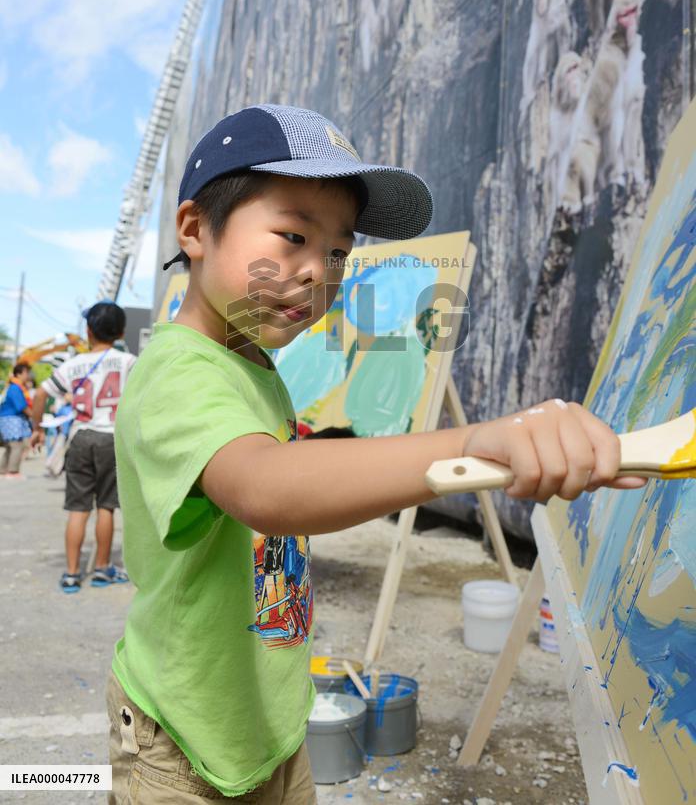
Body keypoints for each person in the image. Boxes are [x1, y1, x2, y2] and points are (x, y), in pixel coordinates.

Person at [108, 105, 646, 804]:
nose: (318, 273)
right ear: (193, 229)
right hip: (181, 744)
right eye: (294, 235)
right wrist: (470, 440)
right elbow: (264, 487)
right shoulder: (179, 370)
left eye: (339, 252)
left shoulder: (255, 367)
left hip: (267, 723)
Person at [31, 301, 136, 594]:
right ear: (121, 331)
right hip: (111, 439)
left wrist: (37, 429)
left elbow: (41, 394)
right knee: (106, 507)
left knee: (78, 509)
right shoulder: (129, 362)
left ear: (88, 331)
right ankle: (102, 568)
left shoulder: (72, 364)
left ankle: (72, 573)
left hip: (80, 437)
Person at [0, 362, 33, 477]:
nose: (28, 376)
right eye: (26, 373)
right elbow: (21, 406)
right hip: (12, 419)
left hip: (10, 419)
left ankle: (3, 470)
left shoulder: (16, 387)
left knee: (10, 446)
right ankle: (13, 471)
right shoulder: (15, 388)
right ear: (19, 374)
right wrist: (34, 416)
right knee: (17, 445)